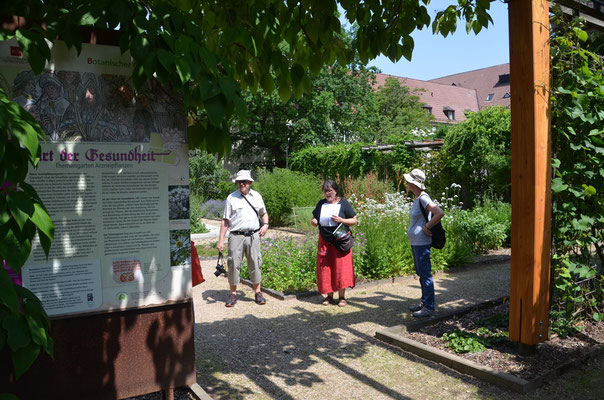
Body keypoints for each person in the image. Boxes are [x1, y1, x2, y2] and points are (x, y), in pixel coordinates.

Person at [217, 170, 269, 307]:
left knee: (255, 263)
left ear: (250, 182)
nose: (242, 184)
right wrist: (221, 239)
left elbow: (263, 213)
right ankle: (233, 294)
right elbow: (225, 221)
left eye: (245, 181)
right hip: (236, 236)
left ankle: (258, 293)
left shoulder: (257, 196)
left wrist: (266, 225)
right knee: (233, 264)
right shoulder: (231, 198)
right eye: (240, 182)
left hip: (253, 236)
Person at [404, 168, 445, 317]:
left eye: (408, 181)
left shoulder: (423, 198)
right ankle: (425, 302)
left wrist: (427, 227)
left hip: (422, 242)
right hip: (416, 242)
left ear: (413, 183)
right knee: (421, 274)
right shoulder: (417, 198)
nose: (406, 183)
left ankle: (429, 307)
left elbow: (439, 212)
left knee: (425, 274)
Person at [311, 180, 357, 307]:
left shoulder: (344, 203)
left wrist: (341, 220)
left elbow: (354, 221)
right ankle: (329, 296)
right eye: (325, 191)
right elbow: (314, 218)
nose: (327, 193)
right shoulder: (321, 204)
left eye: (330, 190)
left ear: (336, 191)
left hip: (340, 241)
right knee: (326, 268)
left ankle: (342, 297)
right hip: (325, 241)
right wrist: (314, 221)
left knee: (341, 268)